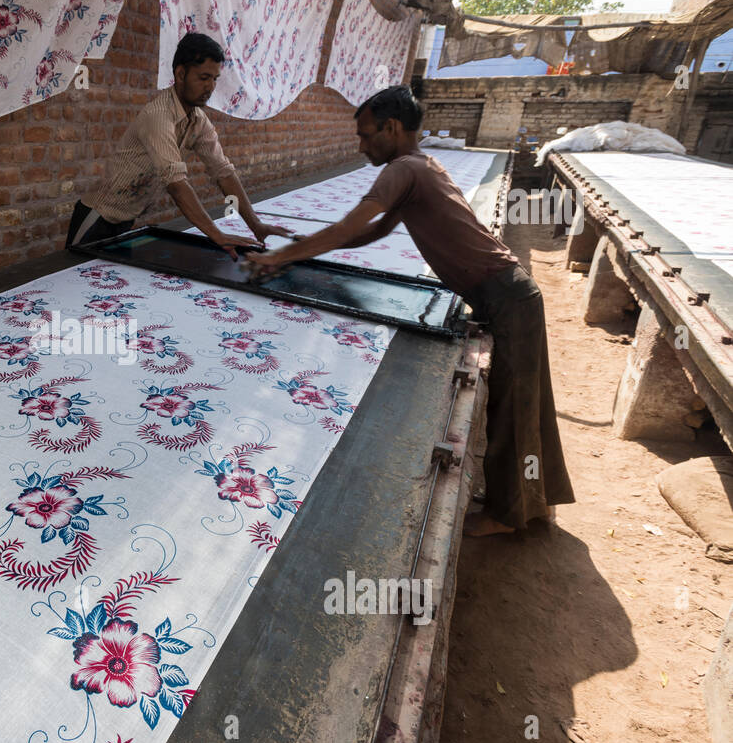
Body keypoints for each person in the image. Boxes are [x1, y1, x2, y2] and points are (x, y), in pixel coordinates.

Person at [245, 85, 575, 536]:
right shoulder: (422, 166)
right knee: (524, 402)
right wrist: (299, 255)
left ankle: (506, 515)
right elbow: (372, 234)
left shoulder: (401, 170)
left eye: (365, 135)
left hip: (506, 296)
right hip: (508, 293)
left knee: (514, 408)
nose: (361, 145)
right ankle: (530, 504)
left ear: (392, 128)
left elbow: (348, 226)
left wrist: (279, 256)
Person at [67, 32, 291, 258]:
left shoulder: (197, 120)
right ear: (181, 74)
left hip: (126, 220)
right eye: (203, 77)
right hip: (96, 218)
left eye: (215, 79)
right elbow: (175, 183)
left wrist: (256, 226)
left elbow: (223, 172)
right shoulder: (158, 116)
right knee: (70, 277)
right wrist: (216, 235)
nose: (210, 87)